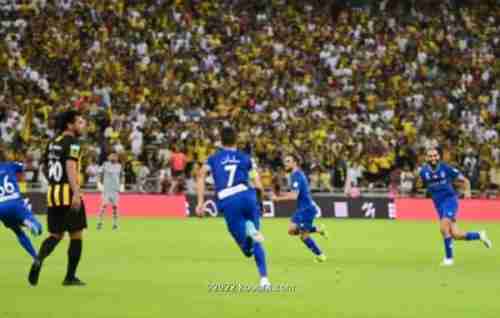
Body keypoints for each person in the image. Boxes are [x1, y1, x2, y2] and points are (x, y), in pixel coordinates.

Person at [196, 126, 270, 288]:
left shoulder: (213, 158)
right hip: (248, 196)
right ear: (236, 140)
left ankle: (249, 236)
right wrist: (261, 203)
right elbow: (257, 183)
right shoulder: (246, 158)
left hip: (229, 200)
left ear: (221, 141)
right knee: (256, 241)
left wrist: (201, 202)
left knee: (246, 250)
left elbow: (201, 175)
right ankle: (264, 279)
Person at [29, 110, 88, 286]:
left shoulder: (53, 142)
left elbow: (46, 167)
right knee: (76, 236)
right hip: (69, 194)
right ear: (70, 125)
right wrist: (76, 193)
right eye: (79, 122)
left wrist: (55, 184)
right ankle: (70, 276)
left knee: (55, 235)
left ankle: (39, 258)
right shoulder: (74, 143)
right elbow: (70, 168)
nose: (82, 125)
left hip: (53, 194)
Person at [419, 147, 492, 266]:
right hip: (438, 204)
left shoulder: (446, 168)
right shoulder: (423, 172)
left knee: (443, 228)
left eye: (435, 155)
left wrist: (467, 191)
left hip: (450, 200)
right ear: (426, 158)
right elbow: (427, 186)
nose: (433, 158)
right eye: (430, 156)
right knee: (456, 234)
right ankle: (479, 235)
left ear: (439, 156)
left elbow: (465, 180)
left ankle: (449, 259)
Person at [271, 154, 328, 262]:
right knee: (291, 230)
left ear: (294, 163)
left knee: (303, 236)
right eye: (285, 161)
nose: (285, 163)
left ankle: (321, 255)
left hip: (306, 209)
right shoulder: (295, 175)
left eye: (288, 161)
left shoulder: (296, 176)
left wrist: (278, 198)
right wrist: (280, 194)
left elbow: (294, 196)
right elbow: (293, 193)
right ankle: (318, 229)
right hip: (302, 208)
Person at [0, 149, 42, 262]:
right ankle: (28, 222)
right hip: (15, 202)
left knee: (18, 232)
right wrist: (29, 159)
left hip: (1, 208)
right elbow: (29, 168)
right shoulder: (11, 165)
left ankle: (35, 256)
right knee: (39, 229)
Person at [97, 152, 123, 230]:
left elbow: (121, 176)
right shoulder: (105, 164)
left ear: (117, 158)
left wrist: (122, 185)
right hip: (107, 189)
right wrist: (99, 183)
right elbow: (99, 174)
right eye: (112, 156)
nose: (113, 157)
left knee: (115, 207)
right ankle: (99, 223)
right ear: (109, 157)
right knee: (104, 205)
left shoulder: (119, 166)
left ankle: (115, 224)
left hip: (115, 189)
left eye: (115, 156)